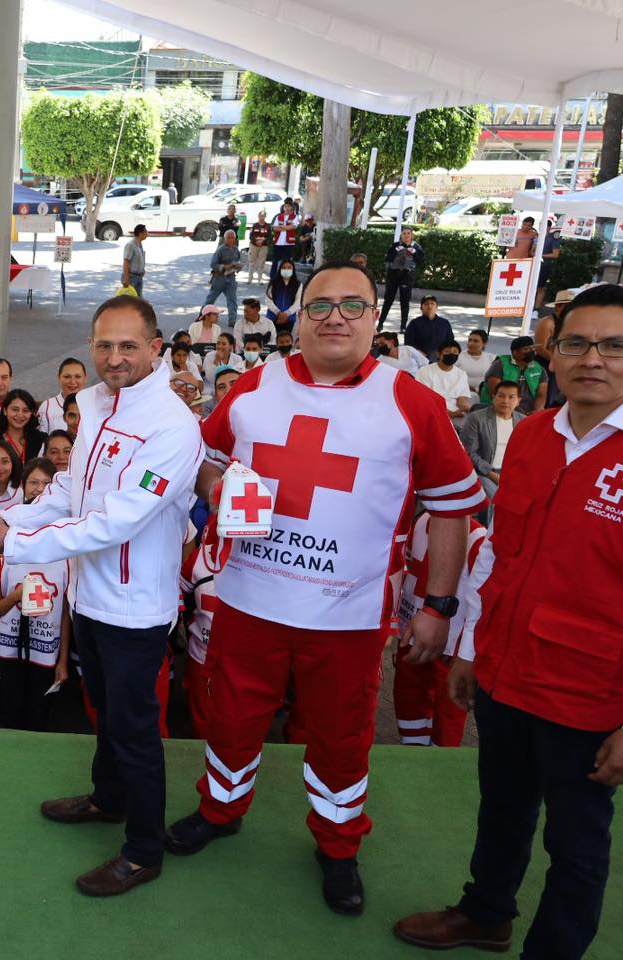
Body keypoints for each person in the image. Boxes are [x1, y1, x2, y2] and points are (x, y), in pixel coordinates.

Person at [166, 262, 484, 916]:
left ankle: (338, 847)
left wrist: (439, 607)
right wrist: (215, 488)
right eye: (319, 305)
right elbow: (204, 464)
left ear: (375, 318)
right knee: (230, 721)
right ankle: (219, 810)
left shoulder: (412, 401)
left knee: (342, 740)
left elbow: (452, 508)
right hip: (248, 604)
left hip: (350, 618)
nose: (334, 316)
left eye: (352, 305)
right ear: (298, 317)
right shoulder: (254, 386)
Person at [394, 282, 623, 959]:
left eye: (614, 346)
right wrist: (468, 649)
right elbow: (495, 559)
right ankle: (486, 913)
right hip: (503, 670)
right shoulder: (528, 440)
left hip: (588, 695)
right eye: (577, 343)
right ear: (551, 356)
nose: (594, 359)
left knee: (577, 847)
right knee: (501, 808)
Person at [0, 294, 203, 897]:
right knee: (104, 711)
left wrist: (15, 541)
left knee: (134, 728)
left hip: (135, 606)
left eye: (128, 346)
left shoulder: (175, 427)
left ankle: (144, 850)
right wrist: (14, 518)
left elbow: (119, 519)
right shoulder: (92, 402)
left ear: (155, 349)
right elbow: (74, 485)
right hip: (89, 596)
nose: (114, 358)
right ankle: (107, 798)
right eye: (103, 345)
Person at [389, 510, 487, 748]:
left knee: (449, 706)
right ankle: (413, 749)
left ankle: (441, 757)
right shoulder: (421, 521)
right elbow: (407, 571)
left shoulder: (478, 538)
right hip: (413, 631)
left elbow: (481, 599)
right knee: (408, 693)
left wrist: (466, 650)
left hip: (450, 645)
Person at [0, 458, 71, 732]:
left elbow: (66, 616)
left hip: (46, 651)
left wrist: (62, 660)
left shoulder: (67, 548)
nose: (39, 490)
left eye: (47, 484)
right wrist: (16, 597)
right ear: (23, 486)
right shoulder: (8, 548)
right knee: (9, 714)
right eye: (33, 482)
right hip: (10, 649)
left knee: (39, 717)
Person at [178, 533, 223, 740]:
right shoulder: (199, 558)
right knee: (202, 725)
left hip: (245, 663)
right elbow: (178, 592)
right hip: (201, 658)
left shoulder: (262, 560)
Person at [459, 379, 524, 506]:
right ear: (493, 397)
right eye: (501, 396)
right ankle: (488, 526)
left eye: (511, 397)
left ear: (518, 401)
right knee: (496, 499)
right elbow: (468, 453)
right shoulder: (477, 418)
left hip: (512, 473)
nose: (505, 401)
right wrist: (493, 474)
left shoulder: (523, 421)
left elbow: (526, 454)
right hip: (484, 472)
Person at [483, 335, 547, 412]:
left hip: (530, 411)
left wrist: (537, 410)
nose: (531, 351)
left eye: (533, 348)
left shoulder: (539, 368)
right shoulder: (500, 364)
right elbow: (494, 392)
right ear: (515, 352)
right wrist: (519, 413)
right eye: (526, 349)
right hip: (502, 408)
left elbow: (541, 394)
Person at [380, 226, 424, 331]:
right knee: (388, 300)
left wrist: (414, 252)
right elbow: (388, 258)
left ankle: (403, 327)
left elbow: (421, 261)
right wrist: (395, 250)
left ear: (412, 235)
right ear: (401, 235)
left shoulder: (416, 247)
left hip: (407, 276)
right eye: (404, 233)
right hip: (393, 275)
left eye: (408, 233)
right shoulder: (395, 245)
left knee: (405, 301)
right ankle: (380, 323)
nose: (406, 236)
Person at [416, 340, 472, 423]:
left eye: (455, 352)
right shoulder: (424, 371)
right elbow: (425, 399)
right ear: (439, 354)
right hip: (432, 411)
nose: (451, 354)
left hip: (456, 413)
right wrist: (449, 413)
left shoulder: (461, 374)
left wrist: (465, 408)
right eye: (447, 351)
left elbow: (462, 397)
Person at [0, 388, 46, 463]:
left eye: (25, 411)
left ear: (31, 413)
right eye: (15, 409)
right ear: (5, 411)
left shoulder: (42, 439)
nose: (20, 415)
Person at [38, 358, 87, 433]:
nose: (73, 382)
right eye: (67, 377)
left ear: (85, 378)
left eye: (77, 377)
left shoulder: (95, 405)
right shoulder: (47, 408)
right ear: (58, 378)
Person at [204, 231, 242, 325]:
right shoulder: (220, 250)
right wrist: (224, 266)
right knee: (211, 299)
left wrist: (238, 266)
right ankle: (203, 315)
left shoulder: (236, 250)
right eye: (228, 238)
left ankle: (232, 320)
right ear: (225, 239)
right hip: (219, 278)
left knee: (232, 299)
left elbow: (238, 260)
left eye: (232, 238)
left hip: (231, 277)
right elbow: (213, 264)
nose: (230, 240)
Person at [403, 295, 453, 362]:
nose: (429, 306)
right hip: (419, 359)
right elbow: (408, 343)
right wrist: (419, 353)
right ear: (421, 308)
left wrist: (443, 353)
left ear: (436, 307)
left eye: (432, 303)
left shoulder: (444, 323)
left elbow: (450, 341)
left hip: (441, 359)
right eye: (426, 304)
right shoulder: (414, 323)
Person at [457, 328, 496, 401]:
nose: (471, 343)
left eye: (476, 341)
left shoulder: (492, 358)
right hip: (463, 392)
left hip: (485, 392)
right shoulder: (458, 356)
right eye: (470, 340)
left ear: (484, 343)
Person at [264, 260, 301, 333]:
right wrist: (278, 313)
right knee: (271, 341)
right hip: (272, 317)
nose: (286, 270)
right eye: (284, 268)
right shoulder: (273, 283)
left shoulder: (298, 285)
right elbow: (268, 300)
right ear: (280, 269)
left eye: (289, 268)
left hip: (289, 319)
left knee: (284, 341)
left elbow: (298, 302)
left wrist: (286, 314)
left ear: (293, 270)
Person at [270, 201, 301, 274]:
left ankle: (285, 276)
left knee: (286, 262)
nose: (287, 208)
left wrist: (281, 226)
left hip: (288, 243)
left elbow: (293, 227)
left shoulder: (295, 217)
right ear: (283, 208)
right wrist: (286, 228)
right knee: (275, 261)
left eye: (288, 206)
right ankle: (273, 278)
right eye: (285, 206)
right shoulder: (279, 216)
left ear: (291, 208)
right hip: (278, 242)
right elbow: (274, 228)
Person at [246, 212, 271, 283]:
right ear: (258, 216)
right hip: (254, 245)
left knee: (261, 263)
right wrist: (256, 242)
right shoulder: (254, 225)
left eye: (263, 216)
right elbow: (251, 236)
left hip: (263, 246)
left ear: (265, 216)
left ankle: (260, 279)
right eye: (260, 216)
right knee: (252, 262)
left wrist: (262, 242)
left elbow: (269, 237)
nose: (261, 217)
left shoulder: (268, 226)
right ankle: (250, 278)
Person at [122, 225, 147, 294]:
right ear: (140, 233)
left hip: (139, 277)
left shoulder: (139, 244)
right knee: (130, 301)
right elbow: (126, 261)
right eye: (146, 232)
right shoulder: (131, 245)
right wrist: (126, 279)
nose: (147, 234)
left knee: (138, 301)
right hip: (131, 278)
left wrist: (142, 269)